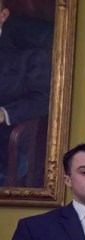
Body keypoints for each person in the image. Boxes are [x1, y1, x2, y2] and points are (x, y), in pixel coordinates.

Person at [0, 0, 53, 185]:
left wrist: (4, 113)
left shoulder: (28, 53)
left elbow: (43, 99)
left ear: (3, 15)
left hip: (5, 142)